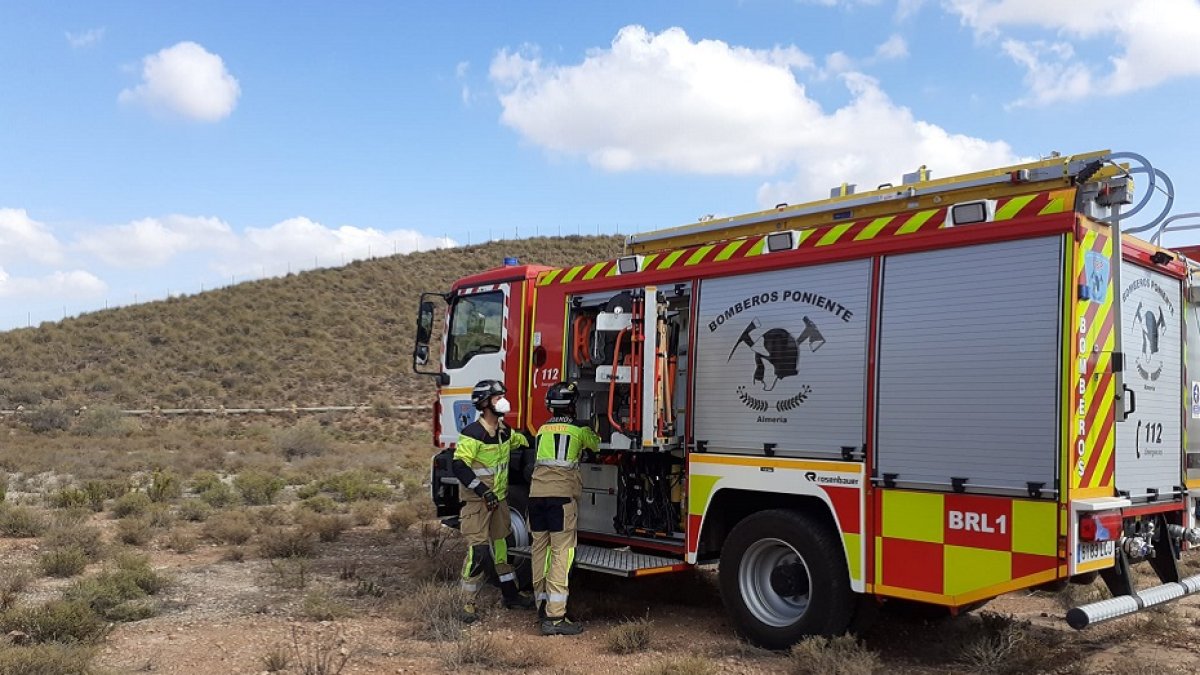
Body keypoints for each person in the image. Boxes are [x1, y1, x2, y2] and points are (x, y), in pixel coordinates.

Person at [451, 379, 534, 623]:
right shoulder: (472, 434)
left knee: (502, 549)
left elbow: (524, 441)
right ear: (485, 404)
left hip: (499, 502)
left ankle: (511, 596)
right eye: (498, 398)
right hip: (478, 503)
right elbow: (459, 465)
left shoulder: (505, 432)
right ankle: (466, 604)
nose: (503, 401)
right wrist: (481, 491)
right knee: (478, 552)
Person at [521, 381, 600, 636]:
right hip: (561, 500)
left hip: (536, 498)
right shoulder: (578, 430)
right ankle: (555, 619)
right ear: (573, 405)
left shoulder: (542, 430)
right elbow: (596, 445)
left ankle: (541, 607)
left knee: (539, 552)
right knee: (561, 554)